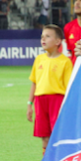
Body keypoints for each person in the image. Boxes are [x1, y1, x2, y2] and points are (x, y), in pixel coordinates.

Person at [27, 25, 73, 154]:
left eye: (47, 36)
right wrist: (29, 104)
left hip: (57, 101)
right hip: (40, 101)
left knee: (57, 134)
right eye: (42, 37)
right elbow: (34, 83)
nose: (43, 39)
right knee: (44, 135)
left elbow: (69, 87)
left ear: (58, 41)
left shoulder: (65, 62)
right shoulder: (39, 59)